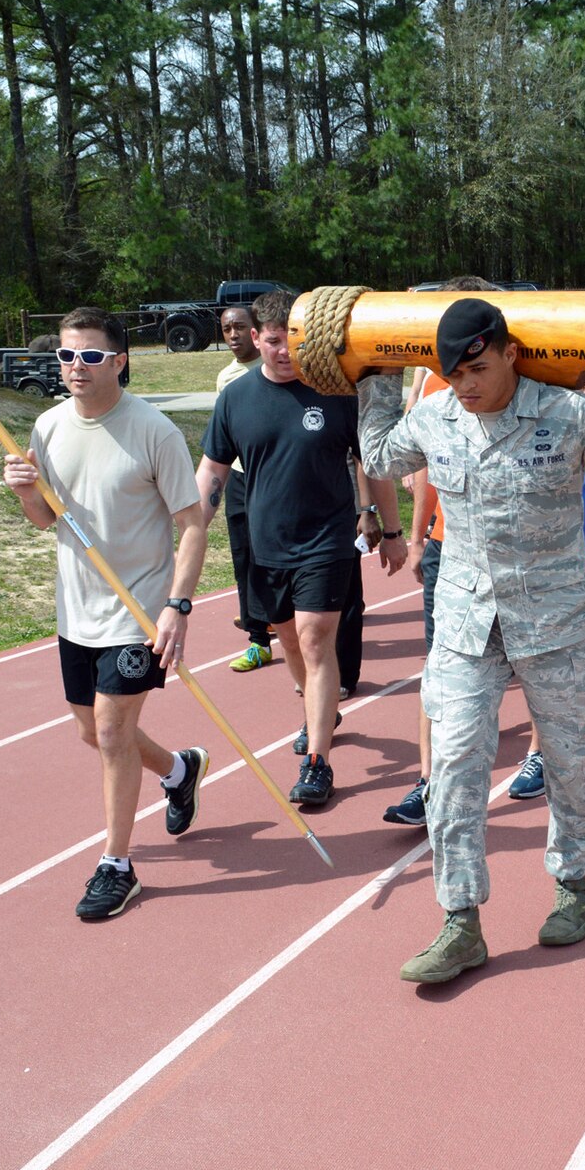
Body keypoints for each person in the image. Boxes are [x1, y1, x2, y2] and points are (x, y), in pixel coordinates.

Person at [358, 298, 585, 984]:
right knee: (450, 769)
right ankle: (460, 920)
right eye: (453, 374)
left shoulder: (564, 414)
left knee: (568, 764)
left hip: (556, 620)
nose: (466, 385)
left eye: (477, 369)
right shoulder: (438, 415)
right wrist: (372, 373)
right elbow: (381, 453)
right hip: (466, 622)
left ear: (509, 353)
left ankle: (573, 883)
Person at [2, 308, 210, 921]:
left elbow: (193, 523)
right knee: (91, 732)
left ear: (119, 360)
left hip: (138, 609)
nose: (76, 368)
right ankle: (179, 770)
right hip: (77, 610)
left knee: (114, 732)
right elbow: (49, 521)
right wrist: (23, 491)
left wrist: (177, 605)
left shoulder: (154, 431)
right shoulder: (47, 426)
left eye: (90, 356)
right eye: (67, 356)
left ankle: (117, 866)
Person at [194, 290, 407, 809]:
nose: (284, 351)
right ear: (256, 339)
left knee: (315, 642)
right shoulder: (235, 399)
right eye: (273, 341)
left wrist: (393, 531)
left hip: (326, 541)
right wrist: (189, 524)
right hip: (266, 545)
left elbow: (373, 465)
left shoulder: (337, 394)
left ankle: (317, 763)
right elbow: (213, 472)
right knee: (289, 643)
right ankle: (323, 710)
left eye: (293, 339)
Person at [383, 279, 549, 827]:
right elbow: (420, 460)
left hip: (523, 555)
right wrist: (415, 537)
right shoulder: (432, 379)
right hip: (450, 553)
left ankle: (537, 755)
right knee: (439, 669)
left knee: (533, 668)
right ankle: (429, 781)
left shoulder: (524, 380)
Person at [213, 305, 275, 672]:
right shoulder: (226, 379)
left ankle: (288, 618)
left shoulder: (279, 368)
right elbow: (224, 437)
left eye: (240, 327)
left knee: (278, 556)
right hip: (240, 477)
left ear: (255, 331)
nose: (233, 335)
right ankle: (258, 639)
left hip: (276, 478)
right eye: (226, 329)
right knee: (244, 558)